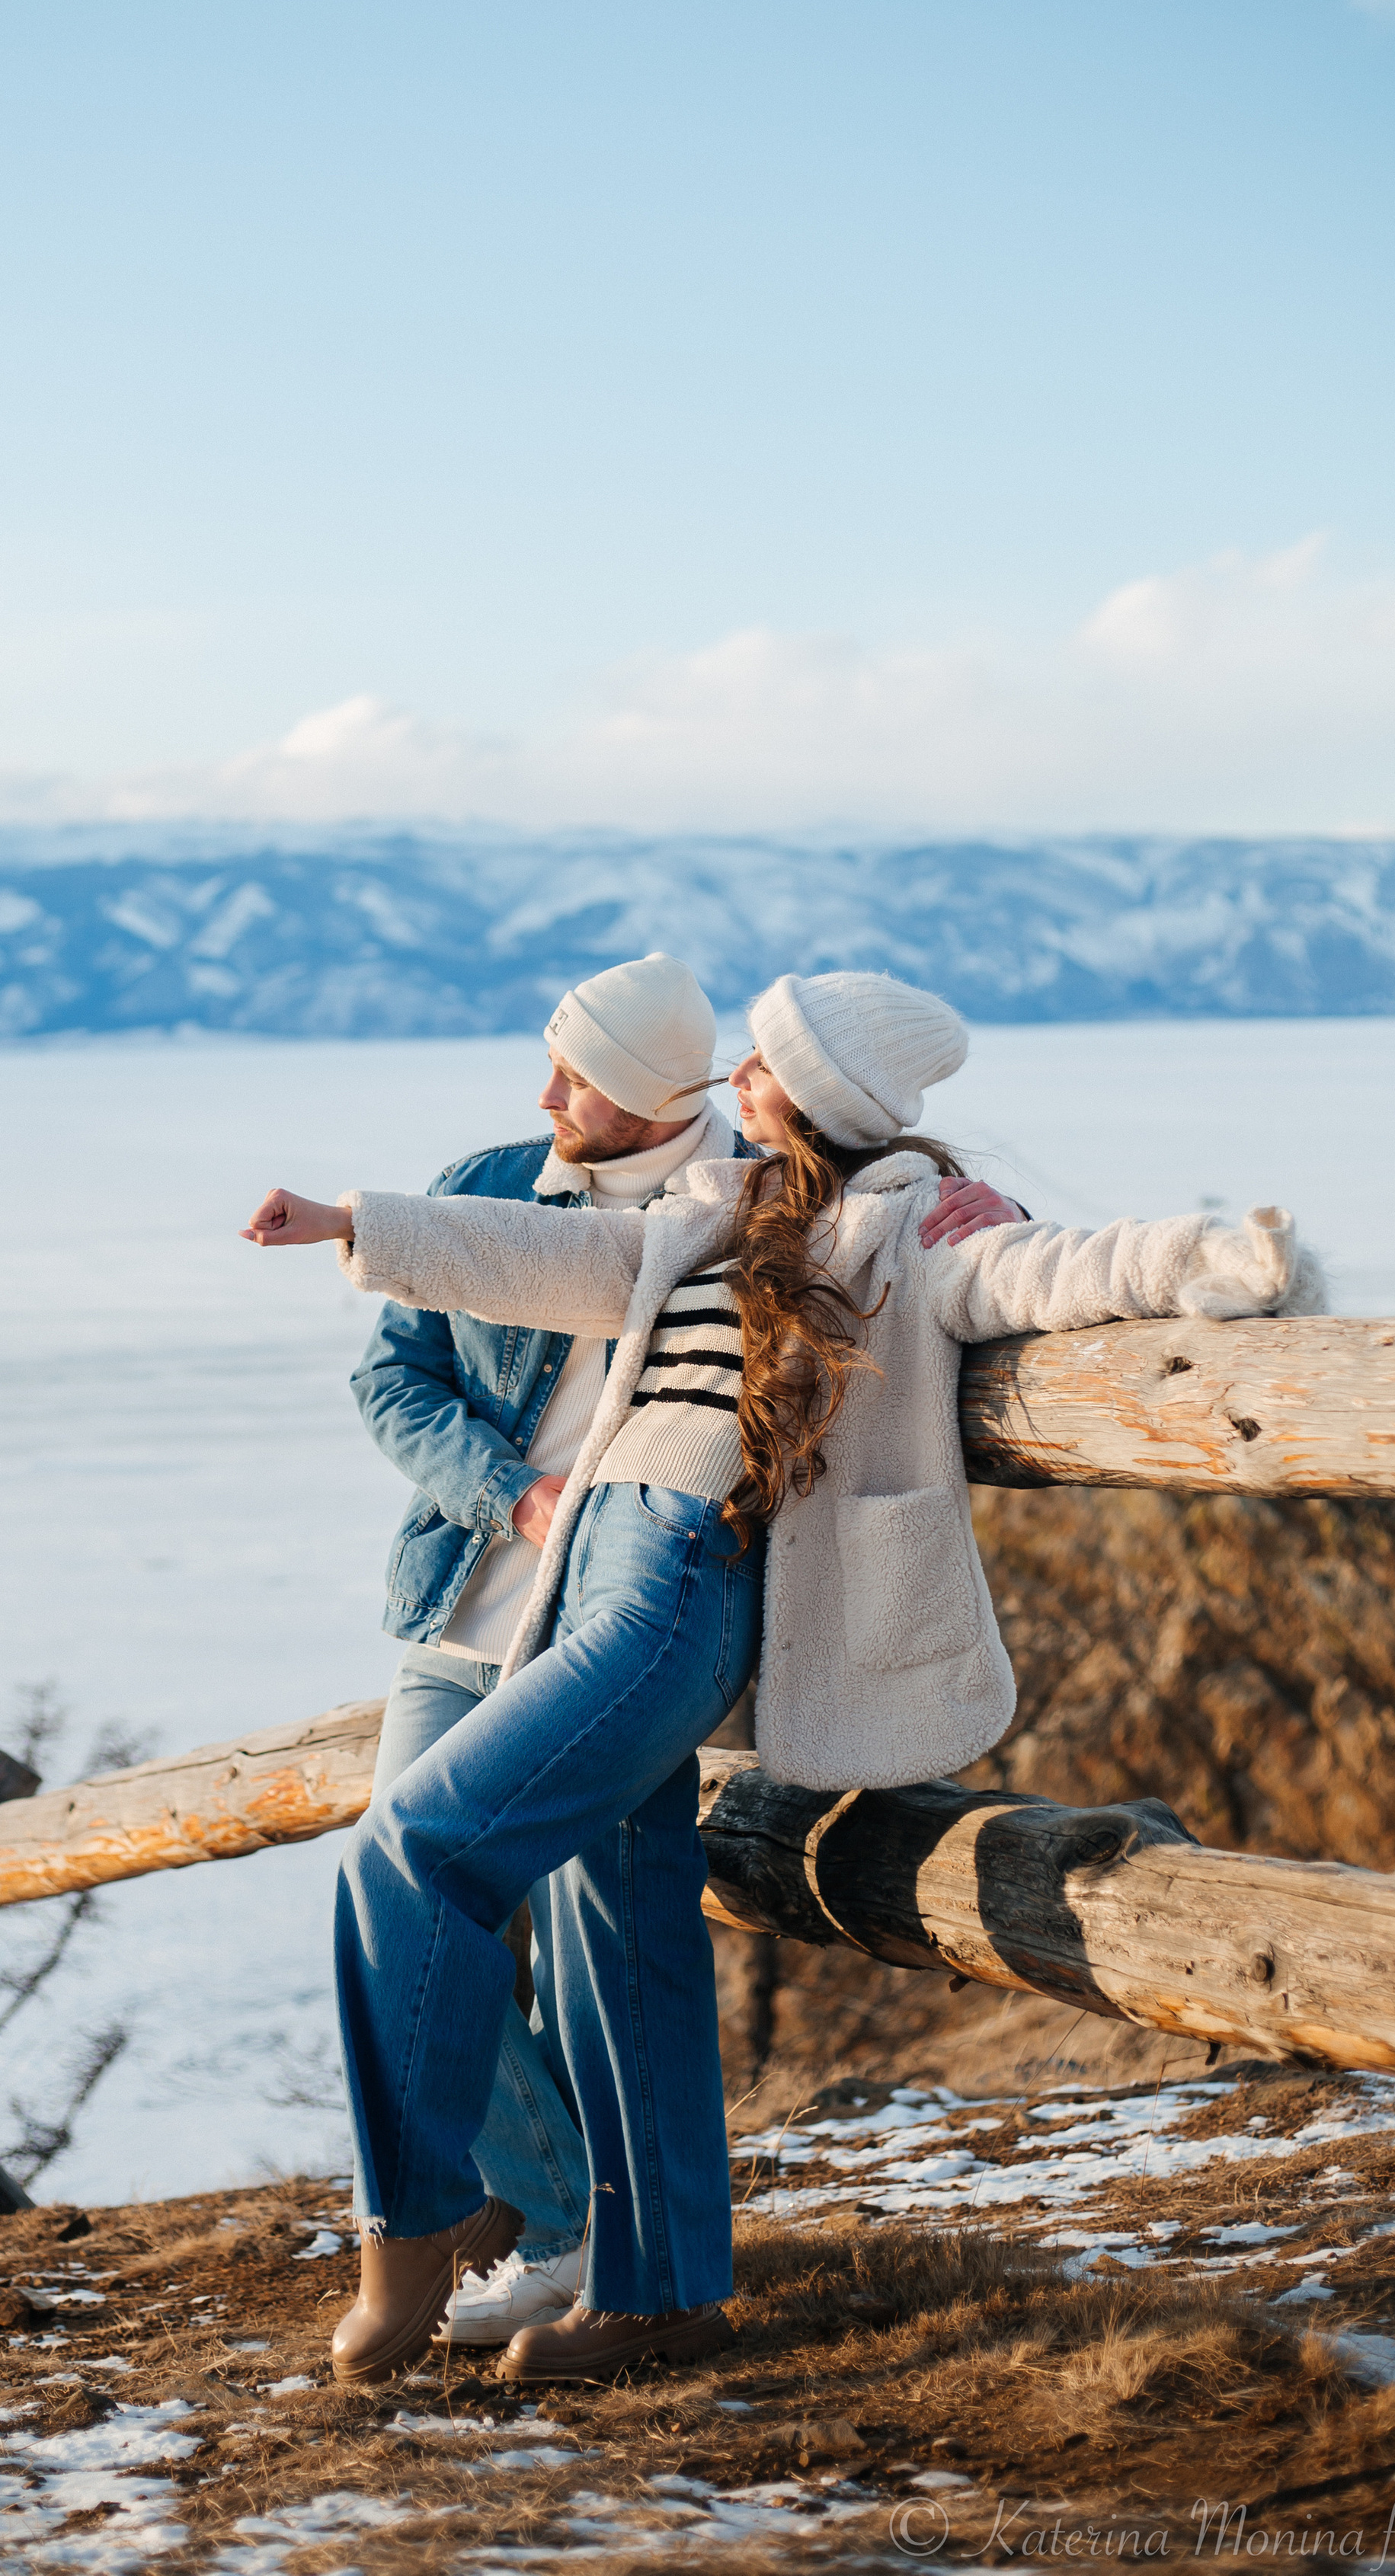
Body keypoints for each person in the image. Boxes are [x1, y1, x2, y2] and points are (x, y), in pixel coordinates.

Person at [244, 969, 1323, 2386]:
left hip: (679, 1576)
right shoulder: (728, 1206)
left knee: (413, 1853)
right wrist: (355, 1226)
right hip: (579, 1568)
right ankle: (659, 2295)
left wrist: (1230, 1261)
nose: (736, 1073)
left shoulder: (917, 1221)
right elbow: (560, 1260)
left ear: (822, 1088)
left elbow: (1058, 1270)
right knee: (626, 1928)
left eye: (762, 1057)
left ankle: (417, 2227)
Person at [347, 954, 1024, 2347]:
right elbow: (429, 1346)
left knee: (509, 1885)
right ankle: (600, 2252)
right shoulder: (590, 1187)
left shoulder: (807, 1202)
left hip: (659, 1580)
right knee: (506, 1892)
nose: (545, 1098)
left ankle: (526, 2250)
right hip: (505, 1590)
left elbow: (996, 1264)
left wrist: (1013, 1215)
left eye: (577, 1075)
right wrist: (359, 1234)